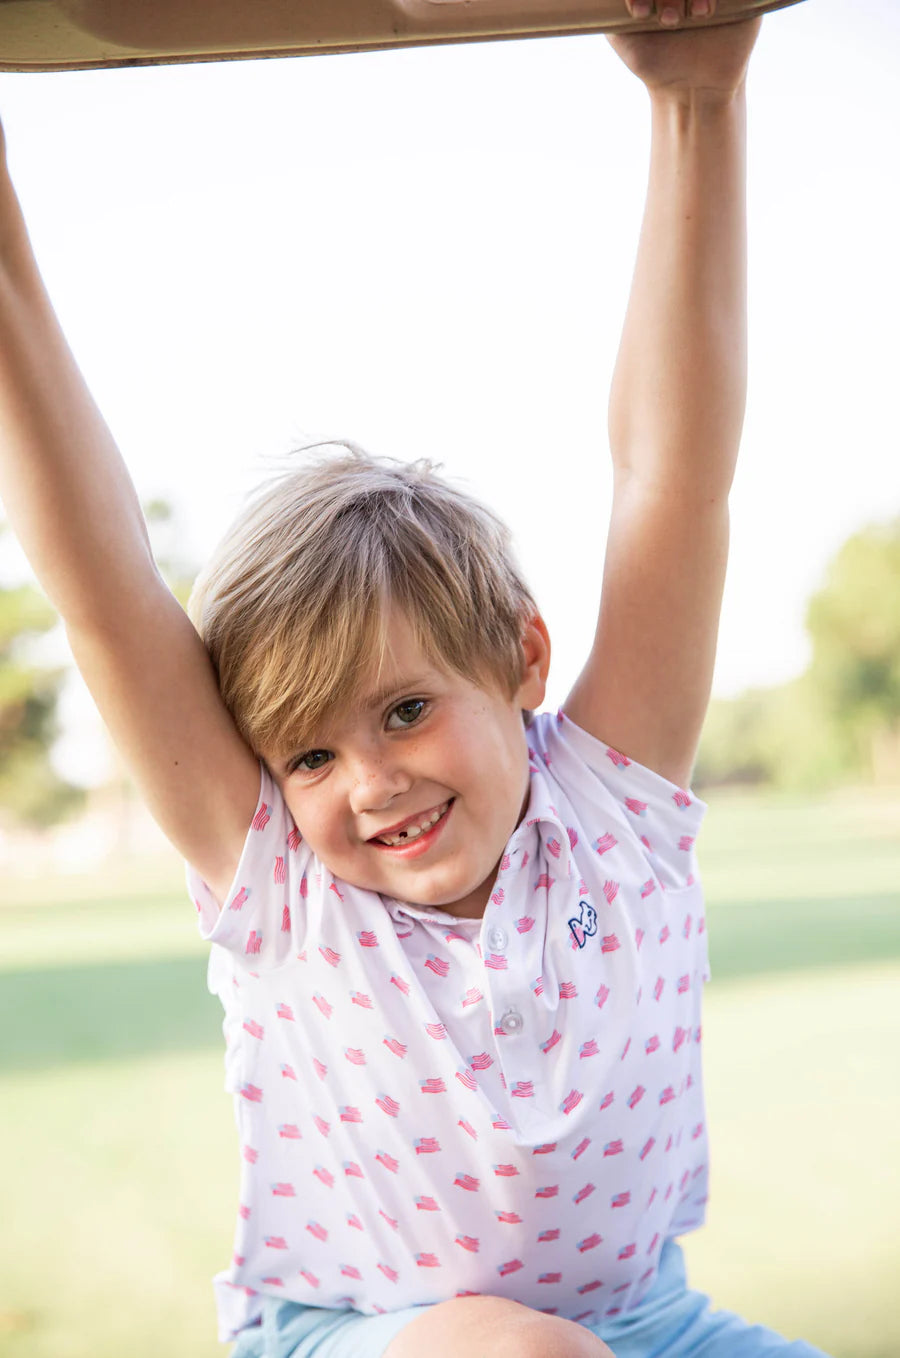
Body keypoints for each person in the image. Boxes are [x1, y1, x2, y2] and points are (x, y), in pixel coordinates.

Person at [0, 1, 831, 1355]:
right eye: (311, 755)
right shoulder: (283, 878)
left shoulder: (610, 804)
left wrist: (698, 105)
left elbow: (670, 483)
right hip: (353, 1332)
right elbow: (101, 592)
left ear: (523, 659)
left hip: (649, 1321)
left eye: (403, 710)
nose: (369, 781)